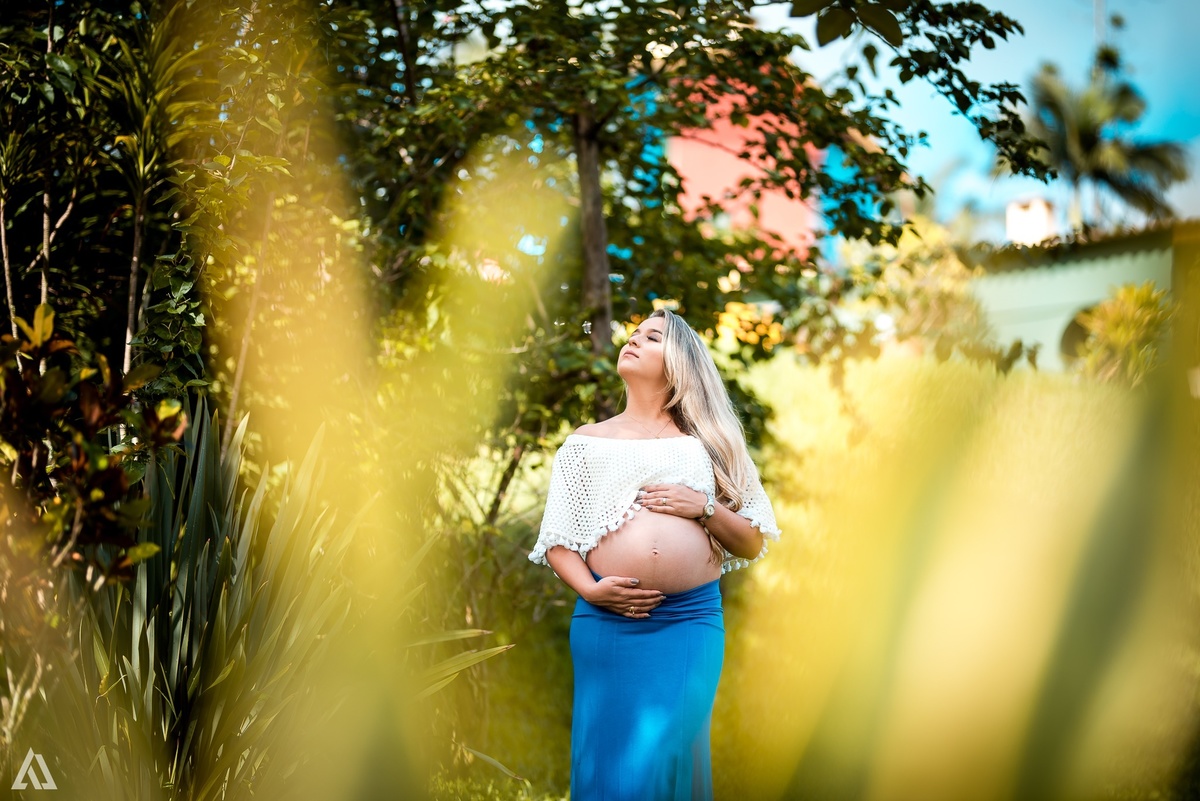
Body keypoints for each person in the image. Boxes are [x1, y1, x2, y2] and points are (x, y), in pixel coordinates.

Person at [528, 307, 782, 801]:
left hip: (687, 622)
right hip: (606, 621)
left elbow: (752, 540)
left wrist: (704, 507)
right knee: (607, 763)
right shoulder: (585, 443)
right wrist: (591, 591)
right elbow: (558, 542)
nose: (634, 340)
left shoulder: (711, 442)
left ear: (680, 364)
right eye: (634, 333)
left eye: (653, 337)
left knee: (664, 759)